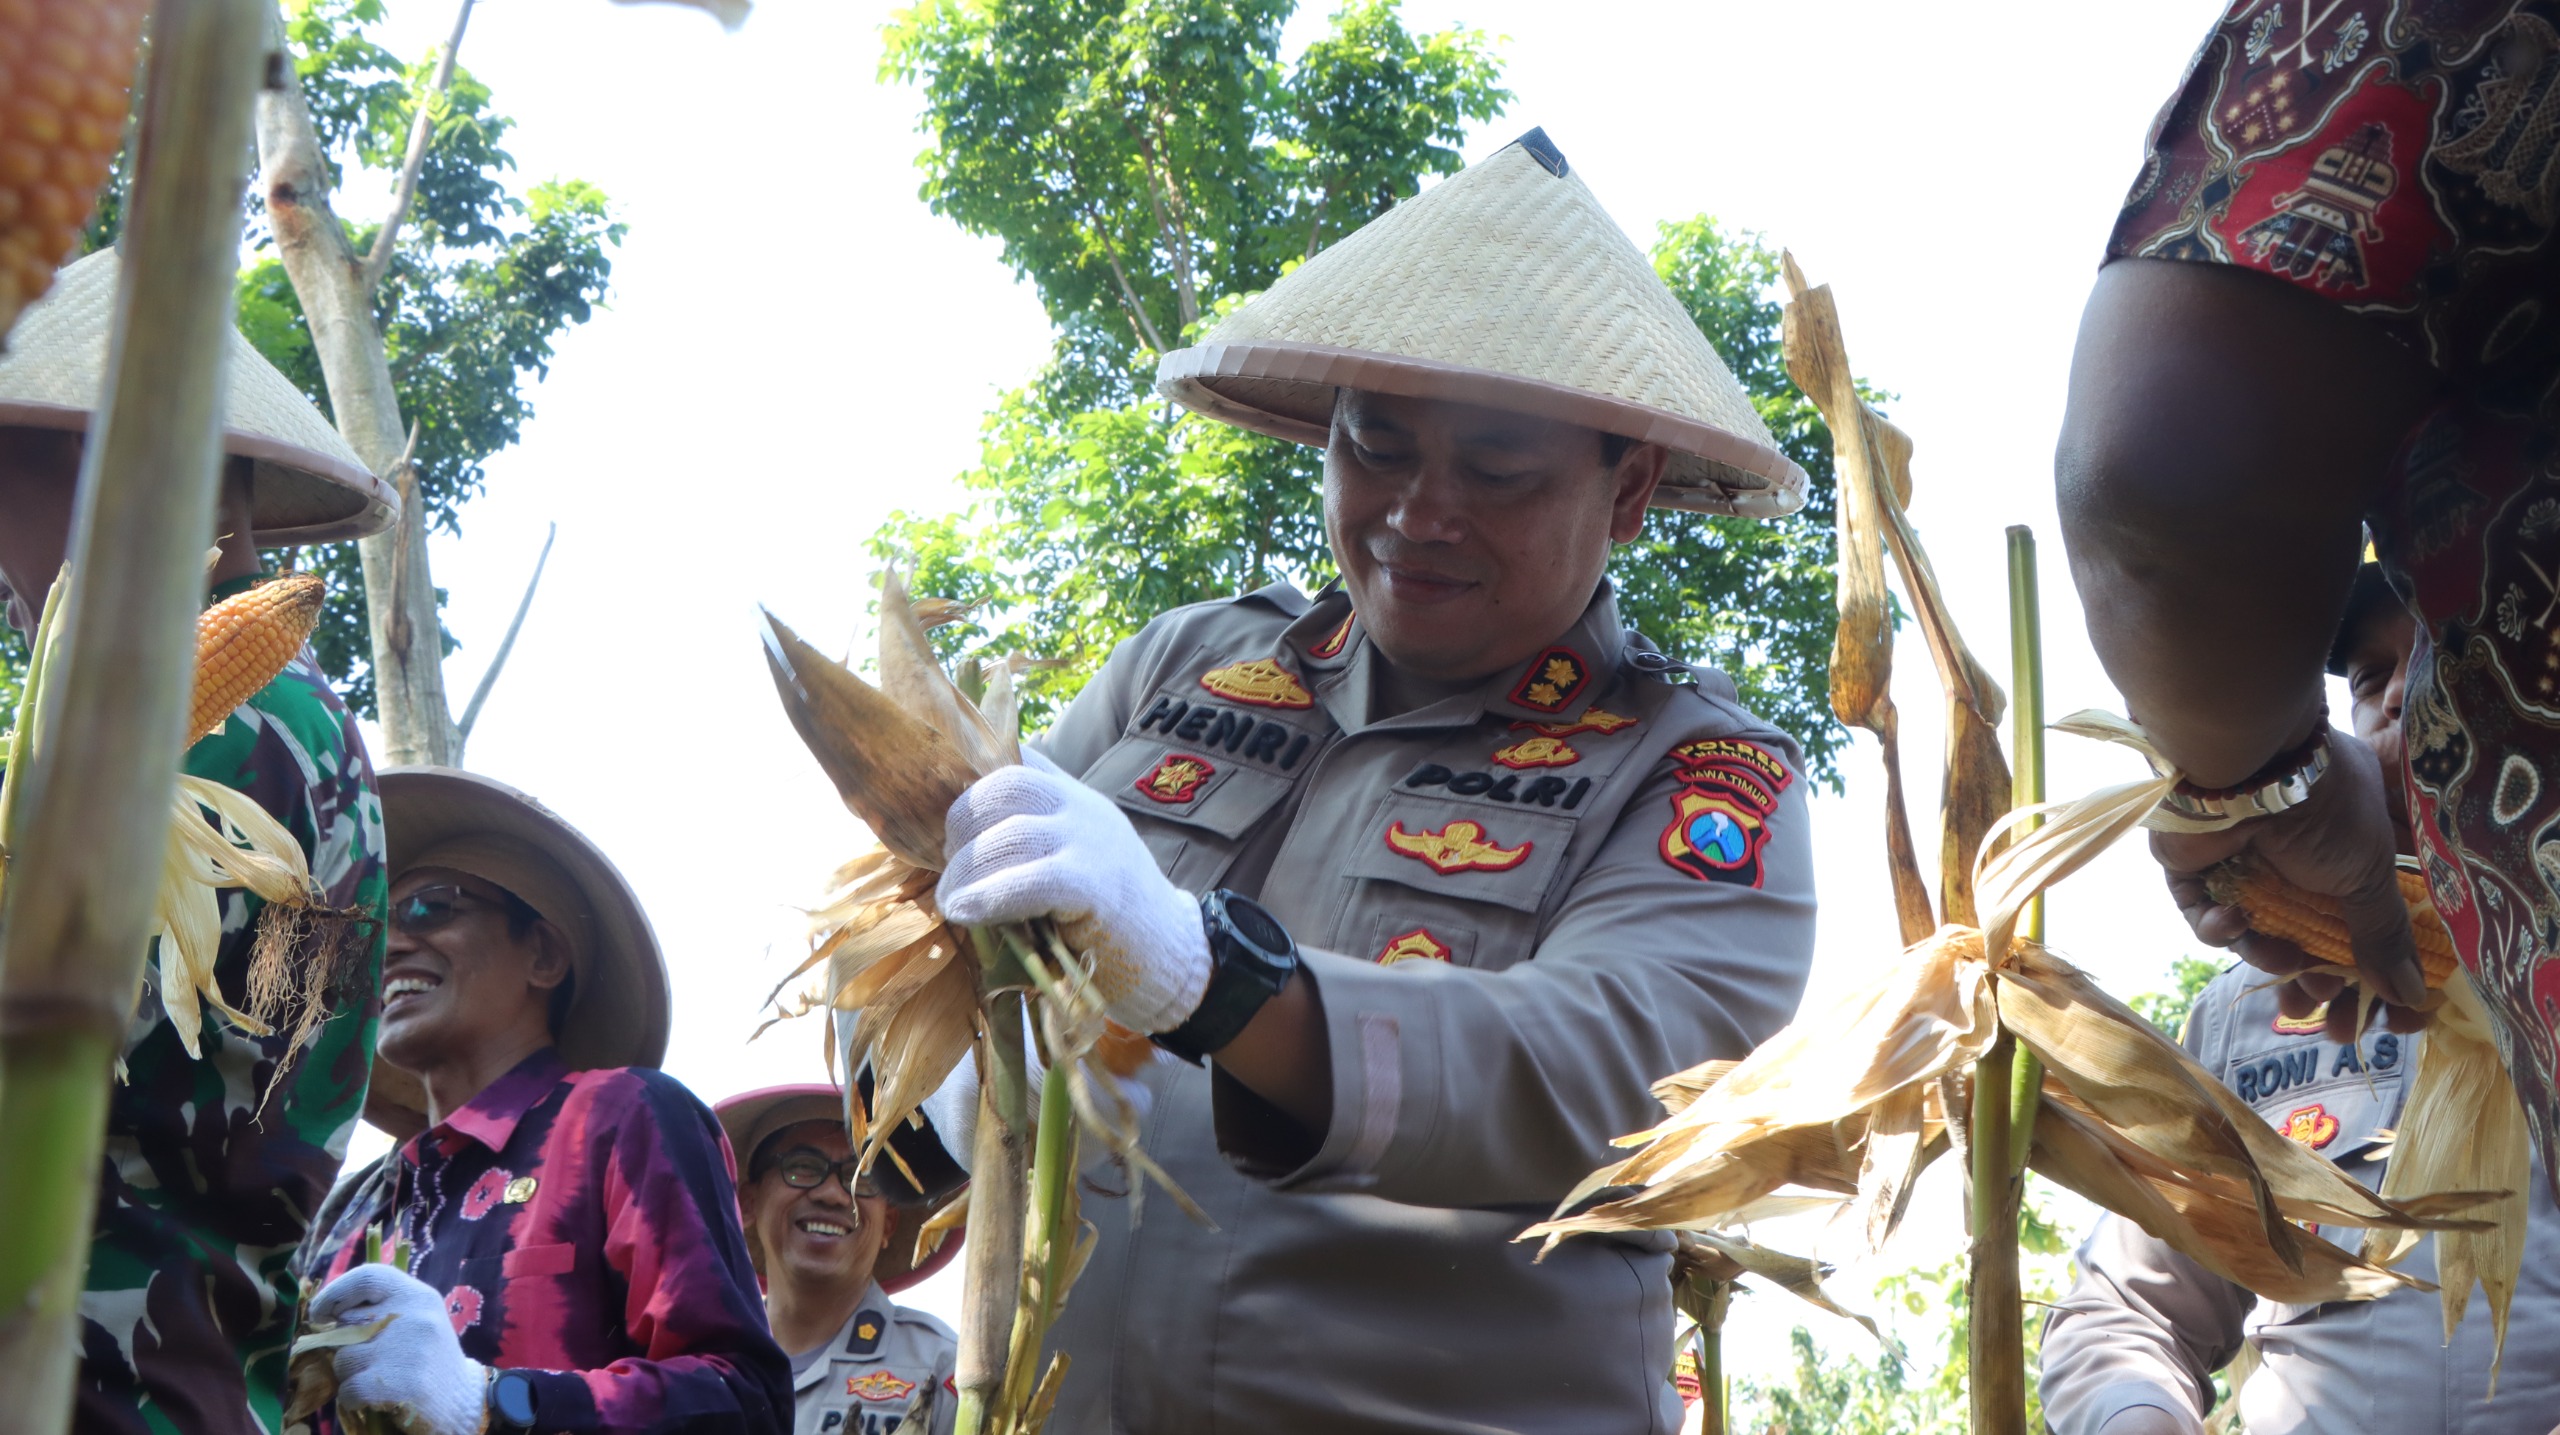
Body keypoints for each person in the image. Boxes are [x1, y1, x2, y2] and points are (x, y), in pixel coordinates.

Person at [924, 128, 1819, 1432]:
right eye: (1378, 444)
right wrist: (947, 1044)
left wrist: (1204, 973)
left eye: (1497, 469)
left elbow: (1612, 1071)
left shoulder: (1695, 769)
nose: (1418, 510)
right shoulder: (1186, 660)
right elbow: (945, 906)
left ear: (1628, 489)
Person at [2054, 0, 2560, 1195]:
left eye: (2417, 663)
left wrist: (2244, 772)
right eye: (2368, 681)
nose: (2399, 715)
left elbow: (2164, 479)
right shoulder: (2240, 1024)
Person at [0, 246, 398, 1435]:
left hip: (91, 1371)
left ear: (98, 468)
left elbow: (74, 1036)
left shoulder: (226, 716)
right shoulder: (268, 716)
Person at [2040, 566, 2560, 1434]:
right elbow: (2126, 1313)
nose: (2399, 693)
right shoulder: (2242, 1013)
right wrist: (2136, 1413)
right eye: (2367, 677)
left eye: (2443, 648)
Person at [292, 767, 791, 1435]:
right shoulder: (352, 1208)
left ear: (545, 956)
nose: (394, 943)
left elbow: (745, 1400)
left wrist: (488, 1401)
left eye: (430, 907)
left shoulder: (621, 1118)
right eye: (381, 925)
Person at [715, 1082, 966, 1435]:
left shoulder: (944, 1371)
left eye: (860, 1176)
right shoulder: (702, 1369)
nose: (833, 1194)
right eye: (802, 1166)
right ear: (748, 1203)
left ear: (888, 1224)